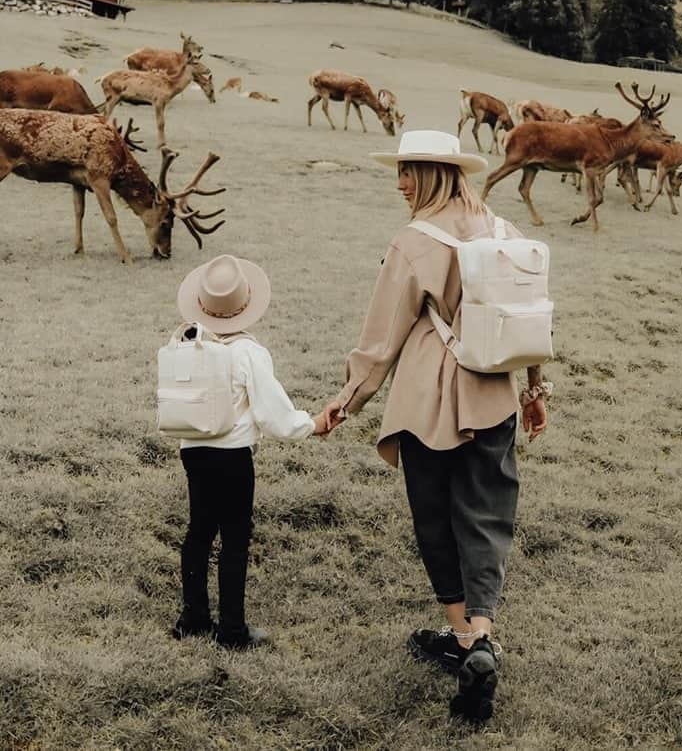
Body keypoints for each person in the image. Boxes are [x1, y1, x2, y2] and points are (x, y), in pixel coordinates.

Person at [323, 130, 550, 723]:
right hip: (494, 395)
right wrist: (534, 390)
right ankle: (483, 630)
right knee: (487, 514)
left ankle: (466, 643)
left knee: (434, 516)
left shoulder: (413, 241)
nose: (399, 184)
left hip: (426, 401)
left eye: (406, 172)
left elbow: (382, 339)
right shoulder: (505, 231)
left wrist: (346, 401)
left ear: (431, 173)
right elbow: (528, 315)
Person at [172, 254, 329, 649]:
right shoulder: (248, 353)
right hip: (232, 455)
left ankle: (192, 618)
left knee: (199, 531)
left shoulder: (182, 341)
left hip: (193, 450)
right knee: (235, 537)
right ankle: (233, 629)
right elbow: (273, 414)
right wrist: (312, 423)